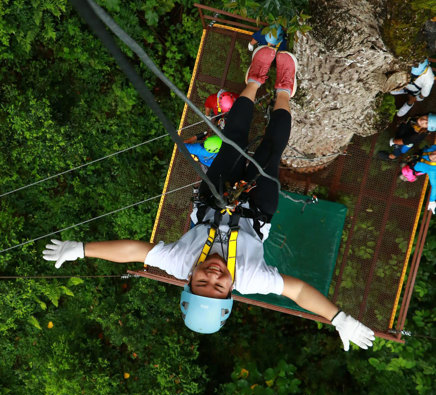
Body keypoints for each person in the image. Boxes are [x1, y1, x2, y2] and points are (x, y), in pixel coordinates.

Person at [43, 46, 374, 351]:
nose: (212, 276)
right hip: (257, 209)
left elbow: (134, 251)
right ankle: (285, 90)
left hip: (214, 198)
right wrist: (338, 318)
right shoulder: (252, 278)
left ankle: (255, 81)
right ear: (231, 293)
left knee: (233, 140)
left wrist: (82, 250)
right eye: (218, 287)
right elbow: (299, 291)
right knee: (271, 151)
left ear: (188, 279)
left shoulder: (177, 263)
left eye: (201, 281)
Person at [399, 115, 436, 214]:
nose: (435, 154)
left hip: (415, 165)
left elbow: (435, 186)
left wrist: (432, 201)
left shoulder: (432, 168)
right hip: (415, 161)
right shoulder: (434, 150)